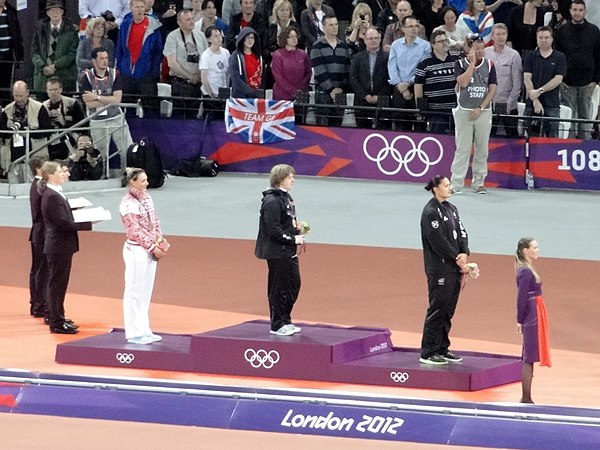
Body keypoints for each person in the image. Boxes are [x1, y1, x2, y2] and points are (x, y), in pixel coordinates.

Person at [419, 175, 469, 365]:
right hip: (439, 268)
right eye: (446, 185)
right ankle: (428, 351)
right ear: (435, 189)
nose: (450, 188)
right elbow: (438, 240)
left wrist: (464, 251)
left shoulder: (452, 209)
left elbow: (462, 232)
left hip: (453, 267)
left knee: (448, 309)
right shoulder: (430, 212)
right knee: (437, 309)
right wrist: (457, 258)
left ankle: (442, 347)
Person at [40, 160, 92, 334]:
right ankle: (56, 321)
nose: (65, 174)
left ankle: (58, 316)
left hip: (60, 245)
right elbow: (62, 222)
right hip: (58, 245)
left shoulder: (55, 193)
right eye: (61, 171)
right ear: (51, 175)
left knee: (58, 283)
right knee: (57, 284)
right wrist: (88, 222)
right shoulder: (52, 195)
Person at [120, 167, 170, 345]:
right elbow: (135, 230)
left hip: (150, 249)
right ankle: (133, 332)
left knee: (145, 291)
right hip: (136, 250)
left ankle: (144, 329)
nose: (147, 183)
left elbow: (154, 221)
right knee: (134, 291)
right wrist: (151, 247)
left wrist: (160, 242)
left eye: (146, 180)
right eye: (142, 181)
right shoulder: (127, 204)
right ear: (132, 182)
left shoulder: (148, 197)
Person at [254, 164, 305, 336]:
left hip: (288, 250)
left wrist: (297, 230)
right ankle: (277, 324)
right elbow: (273, 230)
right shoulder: (271, 201)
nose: (293, 180)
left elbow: (286, 223)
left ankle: (286, 319)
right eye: (290, 177)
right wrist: (293, 239)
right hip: (277, 251)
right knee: (279, 288)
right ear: (280, 179)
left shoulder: (286, 197)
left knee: (293, 284)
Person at [450, 37, 496, 194]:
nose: (480, 52)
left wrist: (481, 108)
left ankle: (479, 182)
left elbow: (492, 89)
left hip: (483, 111)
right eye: (476, 49)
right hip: (463, 111)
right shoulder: (460, 64)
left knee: (482, 148)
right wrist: (471, 64)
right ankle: (456, 183)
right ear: (469, 50)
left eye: (482, 48)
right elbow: (462, 83)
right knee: (462, 148)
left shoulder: (490, 65)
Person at [80, 47, 134, 174]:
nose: (105, 61)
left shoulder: (115, 74)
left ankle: (127, 176)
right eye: (101, 58)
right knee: (100, 155)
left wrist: (97, 97)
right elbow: (89, 103)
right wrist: (109, 100)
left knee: (127, 151)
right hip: (97, 120)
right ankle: (102, 177)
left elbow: (117, 100)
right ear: (94, 61)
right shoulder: (87, 77)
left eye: (106, 58)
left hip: (116, 118)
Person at [554, 0, 600, 140]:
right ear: (570, 11)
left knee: (585, 118)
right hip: (567, 82)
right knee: (569, 117)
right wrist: (560, 80)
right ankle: (569, 148)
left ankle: (585, 149)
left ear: (585, 12)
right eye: (575, 10)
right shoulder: (561, 31)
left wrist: (596, 80)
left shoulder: (594, 31)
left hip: (587, 82)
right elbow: (558, 57)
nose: (577, 13)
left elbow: (598, 57)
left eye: (580, 10)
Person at [515, 237, 551, 404]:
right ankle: (526, 397)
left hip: (533, 311)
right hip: (532, 313)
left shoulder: (527, 269)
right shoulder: (525, 271)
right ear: (525, 250)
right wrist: (520, 320)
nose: (538, 250)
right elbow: (521, 297)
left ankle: (527, 396)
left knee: (529, 355)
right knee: (528, 356)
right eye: (535, 247)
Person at [387, 15, 430, 131]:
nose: (414, 29)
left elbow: (424, 68)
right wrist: (401, 86)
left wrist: (408, 83)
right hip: (399, 88)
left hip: (417, 88)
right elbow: (392, 66)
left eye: (416, 26)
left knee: (419, 125)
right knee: (400, 125)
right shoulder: (396, 45)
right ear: (403, 29)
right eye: (410, 26)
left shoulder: (425, 46)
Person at [0, 81, 51, 178]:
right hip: (12, 154)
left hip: (35, 152)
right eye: (16, 96)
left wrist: (27, 132)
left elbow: (47, 130)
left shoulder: (39, 107)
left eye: (21, 96)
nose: (18, 99)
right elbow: (3, 132)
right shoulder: (7, 109)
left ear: (27, 93)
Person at [522, 26, 566, 138]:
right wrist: (535, 100)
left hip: (552, 104)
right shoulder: (530, 56)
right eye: (540, 37)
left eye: (546, 37)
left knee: (553, 139)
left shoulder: (560, 57)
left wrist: (540, 91)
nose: (543, 40)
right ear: (536, 39)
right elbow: (527, 78)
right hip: (531, 104)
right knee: (527, 137)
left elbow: (558, 79)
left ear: (552, 39)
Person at [310, 14, 351, 127]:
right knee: (322, 129)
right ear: (324, 27)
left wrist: (341, 88)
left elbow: (347, 69)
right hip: (323, 94)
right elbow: (319, 70)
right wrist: (331, 89)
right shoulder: (317, 46)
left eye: (336, 24)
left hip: (340, 93)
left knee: (338, 129)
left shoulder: (343, 46)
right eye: (331, 25)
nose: (335, 27)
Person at [116, 0, 164, 97]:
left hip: (147, 73)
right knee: (128, 106)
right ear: (131, 8)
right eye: (137, 7)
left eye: (142, 7)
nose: (140, 10)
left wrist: (154, 72)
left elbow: (158, 51)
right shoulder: (125, 25)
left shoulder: (154, 26)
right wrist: (120, 68)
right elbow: (120, 48)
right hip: (127, 72)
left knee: (150, 106)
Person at [414, 29, 459, 133]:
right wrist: (420, 108)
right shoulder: (425, 63)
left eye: (445, 40)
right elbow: (418, 85)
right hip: (435, 111)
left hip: (455, 109)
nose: (444, 43)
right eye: (440, 41)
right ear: (433, 45)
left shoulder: (457, 59)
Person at [31, 0, 79, 94]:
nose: (55, 13)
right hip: (42, 76)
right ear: (47, 13)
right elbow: (34, 51)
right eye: (52, 10)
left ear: (62, 12)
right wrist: (43, 67)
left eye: (58, 10)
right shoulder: (40, 28)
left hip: (64, 76)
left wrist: (55, 66)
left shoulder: (71, 29)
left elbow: (72, 53)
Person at [349, 26, 392, 129]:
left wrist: (379, 96)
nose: (373, 40)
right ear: (365, 40)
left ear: (380, 39)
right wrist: (365, 95)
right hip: (362, 101)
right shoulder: (357, 57)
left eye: (376, 38)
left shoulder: (388, 57)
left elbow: (391, 78)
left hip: (382, 101)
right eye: (370, 38)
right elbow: (353, 79)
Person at [484, 23, 521, 137]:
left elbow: (517, 82)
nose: (501, 37)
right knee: (489, 136)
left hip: (507, 101)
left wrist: (509, 103)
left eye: (503, 34)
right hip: (489, 103)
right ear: (492, 36)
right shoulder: (485, 53)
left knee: (512, 137)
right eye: (498, 34)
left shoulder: (514, 55)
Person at [163, 9, 208, 98]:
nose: (192, 22)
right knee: (180, 111)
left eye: (192, 19)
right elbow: (172, 63)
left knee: (195, 111)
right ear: (179, 23)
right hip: (180, 83)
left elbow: (207, 58)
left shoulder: (200, 35)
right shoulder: (172, 37)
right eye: (188, 20)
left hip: (198, 83)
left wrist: (200, 76)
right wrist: (190, 77)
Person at [43, 76, 86, 161]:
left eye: (55, 89)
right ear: (47, 90)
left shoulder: (72, 103)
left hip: (71, 139)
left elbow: (83, 124)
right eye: (50, 90)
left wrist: (64, 123)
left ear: (61, 89)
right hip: (52, 140)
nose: (53, 92)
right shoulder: (43, 106)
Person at [28, 155, 49, 319]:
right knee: (41, 270)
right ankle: (39, 304)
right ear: (38, 169)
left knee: (37, 269)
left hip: (38, 232)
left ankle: (36, 302)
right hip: (42, 233)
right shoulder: (39, 186)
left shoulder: (37, 185)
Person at [271, 26, 311, 101]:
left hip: (301, 96)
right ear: (285, 38)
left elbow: (308, 73)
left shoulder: (303, 54)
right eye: (291, 37)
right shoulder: (278, 55)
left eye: (295, 36)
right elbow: (278, 77)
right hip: (282, 96)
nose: (294, 39)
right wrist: (293, 91)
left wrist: (301, 89)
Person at [200, 25, 230, 116]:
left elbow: (228, 73)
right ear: (209, 39)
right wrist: (211, 95)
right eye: (215, 36)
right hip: (210, 94)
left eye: (220, 35)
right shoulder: (206, 55)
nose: (219, 38)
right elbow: (204, 78)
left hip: (223, 92)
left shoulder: (226, 52)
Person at [228, 27, 264, 98]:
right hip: (241, 96)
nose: (250, 40)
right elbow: (236, 80)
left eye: (252, 38)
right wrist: (251, 92)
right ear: (242, 38)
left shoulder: (258, 56)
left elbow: (262, 76)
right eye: (247, 37)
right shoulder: (235, 56)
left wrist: (259, 92)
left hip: (257, 95)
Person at [0, 0, 24, 102]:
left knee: (6, 85)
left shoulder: (11, 11)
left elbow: (17, 34)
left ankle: (5, 111)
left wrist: (19, 56)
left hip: (8, 55)